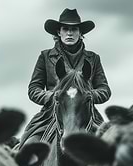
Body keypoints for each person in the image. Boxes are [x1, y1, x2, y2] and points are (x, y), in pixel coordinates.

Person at [19, 8, 111, 148]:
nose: (69, 33)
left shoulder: (93, 58)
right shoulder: (45, 56)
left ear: (80, 33)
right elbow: (33, 89)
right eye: (65, 29)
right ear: (58, 32)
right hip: (51, 114)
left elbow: (104, 89)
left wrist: (89, 95)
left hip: (86, 113)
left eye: (74, 29)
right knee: (27, 145)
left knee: (110, 147)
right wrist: (52, 97)